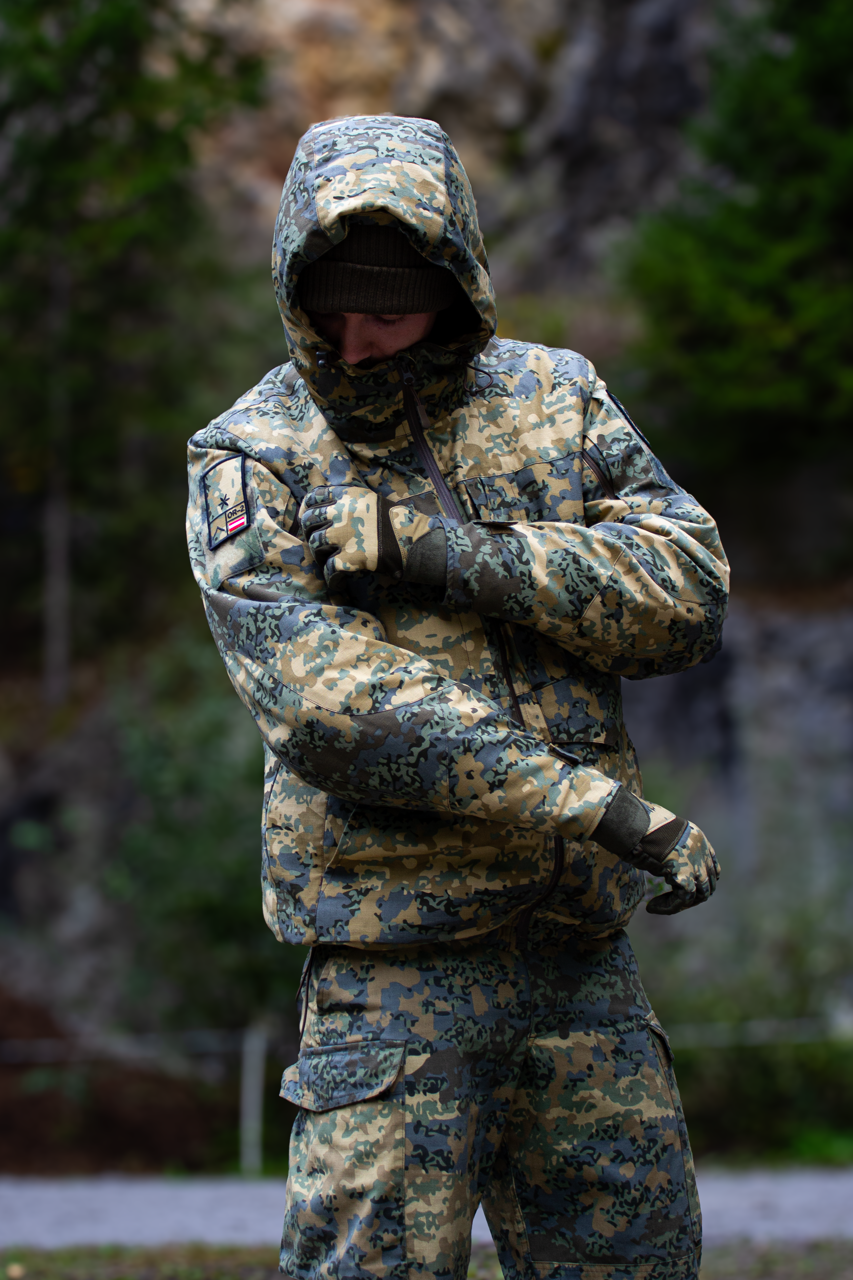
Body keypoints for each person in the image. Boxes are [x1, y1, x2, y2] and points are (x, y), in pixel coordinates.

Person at [186, 114, 728, 1280]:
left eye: (386, 309)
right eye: (328, 305)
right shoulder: (252, 452)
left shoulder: (557, 398)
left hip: (578, 958)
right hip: (393, 970)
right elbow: (329, 706)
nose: (354, 338)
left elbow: (685, 595)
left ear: (452, 279)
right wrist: (590, 805)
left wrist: (451, 552)